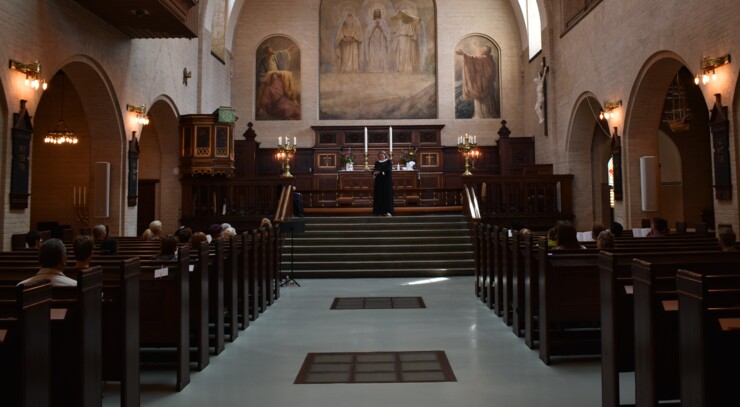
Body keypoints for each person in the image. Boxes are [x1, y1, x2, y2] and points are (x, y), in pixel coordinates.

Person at [456, 45, 498, 118]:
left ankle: (483, 115)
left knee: (485, 104)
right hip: (486, 85)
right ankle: (484, 114)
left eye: (483, 49)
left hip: (482, 85)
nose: (481, 50)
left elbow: (472, 60)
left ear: (486, 52)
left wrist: (463, 54)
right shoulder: (490, 59)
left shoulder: (484, 59)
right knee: (486, 103)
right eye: (482, 48)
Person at [391, 8, 424, 73]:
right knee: (402, 54)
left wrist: (412, 17)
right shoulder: (400, 22)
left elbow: (419, 20)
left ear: (407, 15)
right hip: (401, 40)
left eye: (404, 15)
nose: (402, 17)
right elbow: (396, 30)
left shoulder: (411, 22)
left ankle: (408, 69)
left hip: (408, 40)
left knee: (408, 54)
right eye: (402, 15)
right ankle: (401, 68)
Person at [372, 150, 394, 216]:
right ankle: (379, 211)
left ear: (385, 155)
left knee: (387, 195)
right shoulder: (377, 162)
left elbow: (388, 170)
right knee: (379, 196)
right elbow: (375, 169)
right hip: (378, 182)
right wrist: (374, 173)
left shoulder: (388, 161)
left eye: (382, 155)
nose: (381, 156)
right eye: (380, 155)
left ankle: (388, 211)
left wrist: (380, 171)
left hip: (386, 181)